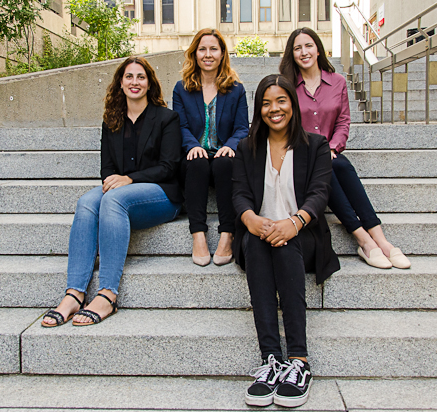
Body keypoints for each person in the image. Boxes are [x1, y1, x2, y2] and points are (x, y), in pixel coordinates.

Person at [41, 56, 183, 327]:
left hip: (162, 195)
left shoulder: (167, 118)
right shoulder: (112, 121)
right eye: (129, 76)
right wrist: (115, 180)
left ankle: (107, 293)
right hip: (121, 194)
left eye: (141, 77)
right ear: (120, 83)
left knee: (114, 199)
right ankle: (75, 292)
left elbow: (169, 167)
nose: (135, 82)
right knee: (86, 202)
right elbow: (107, 169)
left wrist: (129, 179)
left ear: (150, 83)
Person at [233, 74, 340, 408]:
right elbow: (238, 194)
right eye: (266, 103)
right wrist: (250, 220)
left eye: (281, 101)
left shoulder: (315, 145)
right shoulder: (247, 147)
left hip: (303, 237)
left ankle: (299, 360)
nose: (273, 109)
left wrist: (294, 223)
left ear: (292, 104)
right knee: (259, 245)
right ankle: (271, 360)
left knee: (284, 244)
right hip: (259, 233)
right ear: (258, 109)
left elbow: (320, 193)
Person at [279, 27, 411, 269]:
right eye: (297, 48)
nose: (304, 52)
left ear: (318, 49)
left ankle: (381, 240)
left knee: (339, 165)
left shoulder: (337, 82)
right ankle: (364, 240)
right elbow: (284, 127)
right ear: (292, 53)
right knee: (328, 168)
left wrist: (331, 147)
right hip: (300, 157)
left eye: (308, 45)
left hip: (331, 153)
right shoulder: (287, 86)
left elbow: (343, 122)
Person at [172, 28, 249, 266]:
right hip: (195, 164)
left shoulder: (236, 89)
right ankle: (198, 235)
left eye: (213, 49)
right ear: (194, 54)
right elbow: (180, 126)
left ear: (222, 53)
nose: (208, 54)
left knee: (226, 163)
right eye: (202, 49)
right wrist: (192, 145)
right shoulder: (181, 88)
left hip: (223, 161)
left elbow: (242, 128)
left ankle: (227, 235)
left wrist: (232, 145)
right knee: (196, 161)